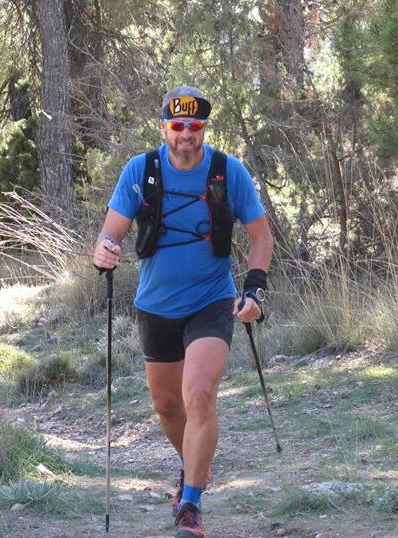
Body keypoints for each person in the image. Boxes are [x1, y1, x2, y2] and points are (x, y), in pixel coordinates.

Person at [92, 85, 274, 538]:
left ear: (204, 129)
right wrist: (105, 252)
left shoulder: (228, 172)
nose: (186, 135)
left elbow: (261, 237)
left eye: (194, 127)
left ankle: (190, 505)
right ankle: (195, 464)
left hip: (211, 300)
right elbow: (109, 233)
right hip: (155, 306)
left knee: (198, 395)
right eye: (178, 126)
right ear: (164, 128)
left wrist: (254, 291)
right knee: (168, 405)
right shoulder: (142, 171)